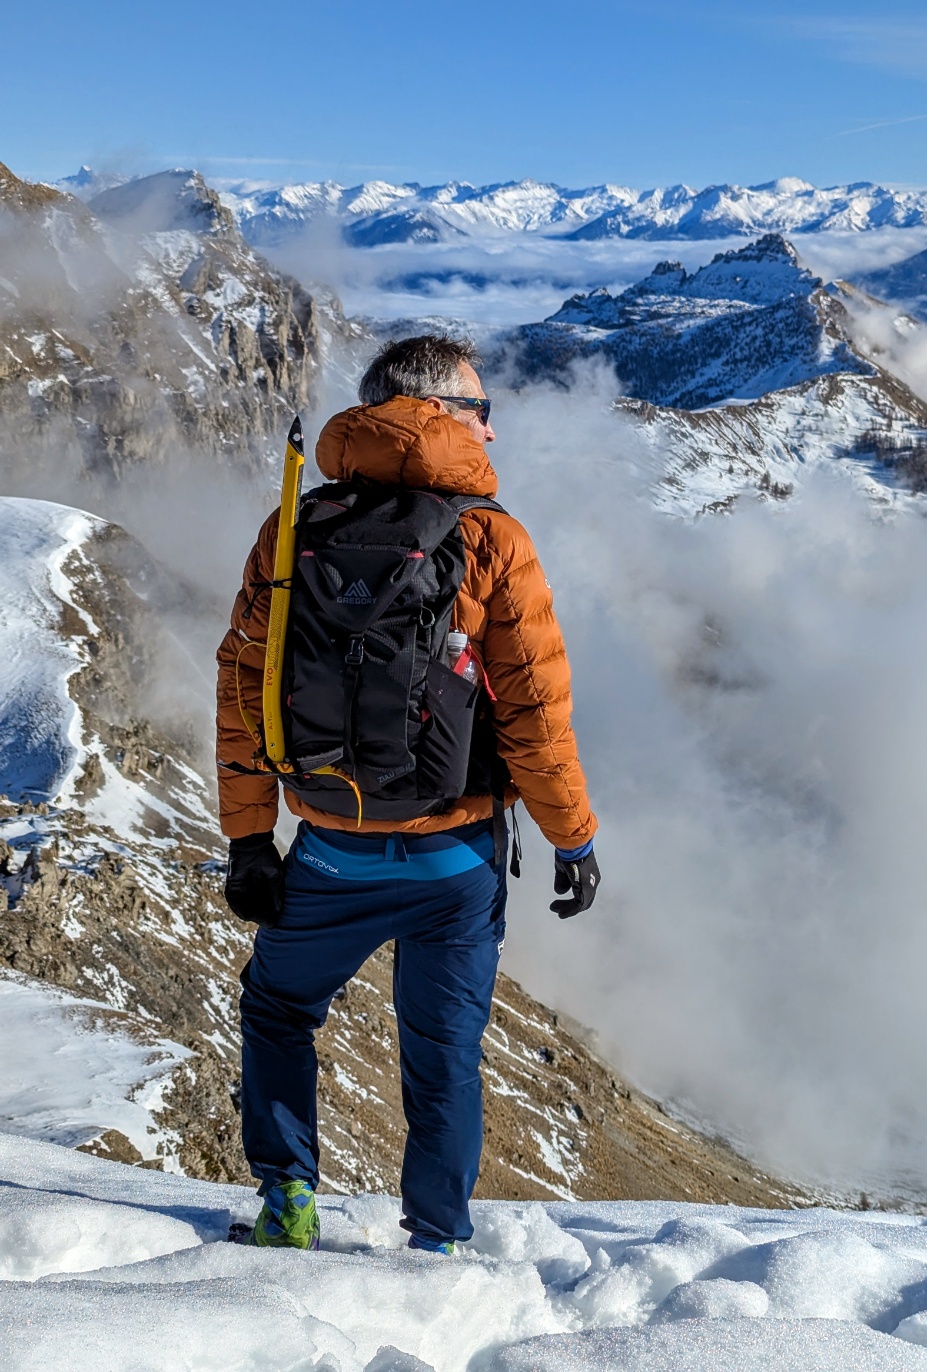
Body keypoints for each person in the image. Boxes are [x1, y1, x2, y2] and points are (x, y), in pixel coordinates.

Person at [215, 334, 600, 1252]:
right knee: (443, 1057)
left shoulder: (293, 525)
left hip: (332, 847)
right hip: (455, 859)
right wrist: (573, 838)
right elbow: (535, 711)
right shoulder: (489, 538)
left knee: (277, 1011)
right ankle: (436, 1243)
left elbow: (243, 686)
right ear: (438, 414)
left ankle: (288, 1206)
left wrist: (246, 839)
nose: (492, 432)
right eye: (481, 411)